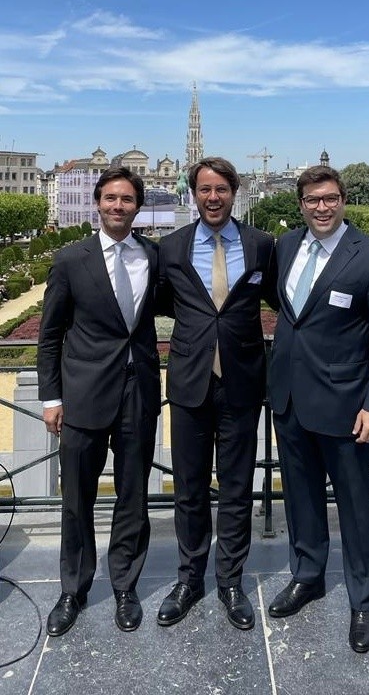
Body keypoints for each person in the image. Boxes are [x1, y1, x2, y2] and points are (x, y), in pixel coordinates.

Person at [268, 165, 369, 653]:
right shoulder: (286, 247)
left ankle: (363, 600)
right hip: (288, 398)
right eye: (311, 200)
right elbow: (291, 315)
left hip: (348, 406)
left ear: (343, 200)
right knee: (300, 498)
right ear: (300, 204)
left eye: (329, 198)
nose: (321, 207)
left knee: (356, 506)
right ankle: (307, 576)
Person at [37, 167, 161, 637]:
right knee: (77, 498)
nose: (117, 206)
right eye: (110, 198)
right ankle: (74, 588)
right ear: (98, 203)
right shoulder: (71, 259)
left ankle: (125, 585)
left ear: (137, 205)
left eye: (127, 199)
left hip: (138, 392)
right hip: (83, 395)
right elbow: (49, 337)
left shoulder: (152, 254)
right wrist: (51, 398)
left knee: (133, 495)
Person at [157, 157, 277, 631]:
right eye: (204, 189)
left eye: (221, 189)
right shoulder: (170, 248)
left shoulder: (260, 245)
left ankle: (230, 580)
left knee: (235, 487)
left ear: (233, 192)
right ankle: (189, 578)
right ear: (193, 194)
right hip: (189, 382)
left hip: (243, 383)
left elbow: (277, 297)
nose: (213, 197)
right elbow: (166, 300)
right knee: (188, 487)